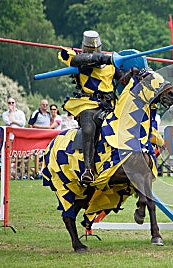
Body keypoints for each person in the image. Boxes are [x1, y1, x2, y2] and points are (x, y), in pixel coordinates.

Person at [58, 30, 122, 184]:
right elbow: (71, 58)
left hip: (110, 105)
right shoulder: (77, 60)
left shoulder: (111, 65)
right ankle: (87, 170)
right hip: (88, 104)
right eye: (91, 51)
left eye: (96, 51)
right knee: (88, 129)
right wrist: (101, 58)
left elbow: (123, 79)